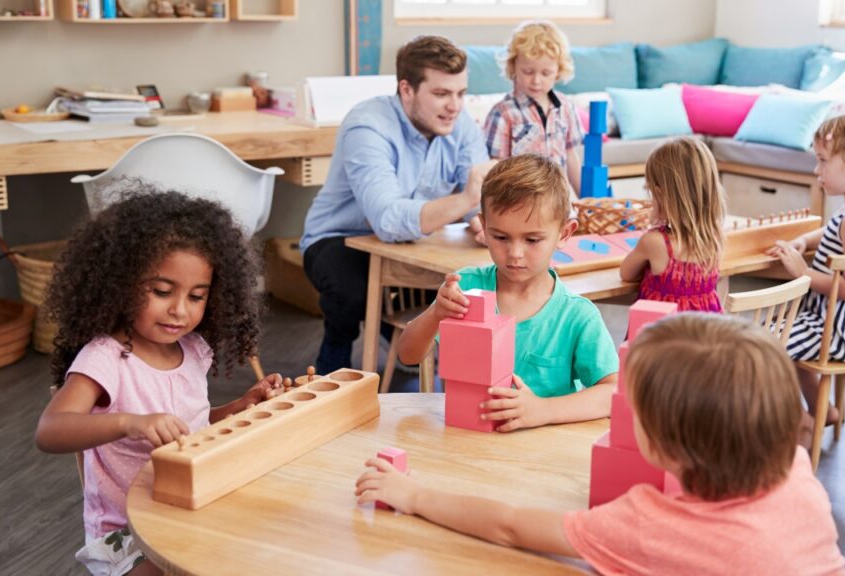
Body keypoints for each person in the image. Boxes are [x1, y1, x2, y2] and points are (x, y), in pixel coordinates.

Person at [356, 314, 845, 575]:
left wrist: (414, 495)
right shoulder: (796, 473)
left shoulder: (651, 525)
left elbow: (510, 527)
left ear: (665, 445)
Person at [35, 189, 283, 576]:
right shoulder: (106, 358)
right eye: (161, 291)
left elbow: (192, 428)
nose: (179, 310)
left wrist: (238, 407)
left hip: (189, 506)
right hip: (127, 532)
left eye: (197, 296)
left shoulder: (194, 350)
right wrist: (130, 421)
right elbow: (49, 431)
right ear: (118, 282)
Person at [300, 35, 496, 375]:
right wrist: (467, 199)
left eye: (461, 93)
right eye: (441, 94)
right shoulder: (368, 126)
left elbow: (477, 194)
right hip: (338, 237)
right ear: (406, 90)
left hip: (416, 238)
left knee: (480, 268)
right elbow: (388, 220)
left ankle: (411, 340)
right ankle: (335, 353)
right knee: (352, 289)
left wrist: (481, 220)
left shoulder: (460, 124)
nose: (455, 106)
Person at [397, 154, 618, 431]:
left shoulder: (577, 315)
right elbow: (407, 355)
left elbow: (613, 393)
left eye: (532, 239)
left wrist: (543, 409)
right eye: (500, 237)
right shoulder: (465, 289)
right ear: (484, 226)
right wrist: (435, 315)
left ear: (564, 234)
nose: (515, 253)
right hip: (465, 441)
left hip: (539, 453)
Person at [768, 113, 845, 427]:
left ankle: (803, 421)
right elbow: (829, 231)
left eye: (823, 161)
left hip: (841, 332)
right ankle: (824, 410)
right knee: (776, 332)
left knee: (763, 346)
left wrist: (803, 272)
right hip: (839, 324)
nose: (817, 170)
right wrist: (803, 240)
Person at [619, 137, 726, 312]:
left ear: (660, 195)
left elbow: (626, 273)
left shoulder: (654, 242)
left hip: (661, 337)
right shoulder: (715, 238)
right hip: (704, 337)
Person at [483, 20, 584, 193]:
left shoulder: (566, 107)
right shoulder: (503, 113)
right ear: (514, 66)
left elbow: (572, 157)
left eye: (546, 73)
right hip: (519, 201)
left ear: (558, 70)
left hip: (559, 199)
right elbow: (494, 170)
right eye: (528, 72)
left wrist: (586, 200)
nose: (536, 81)